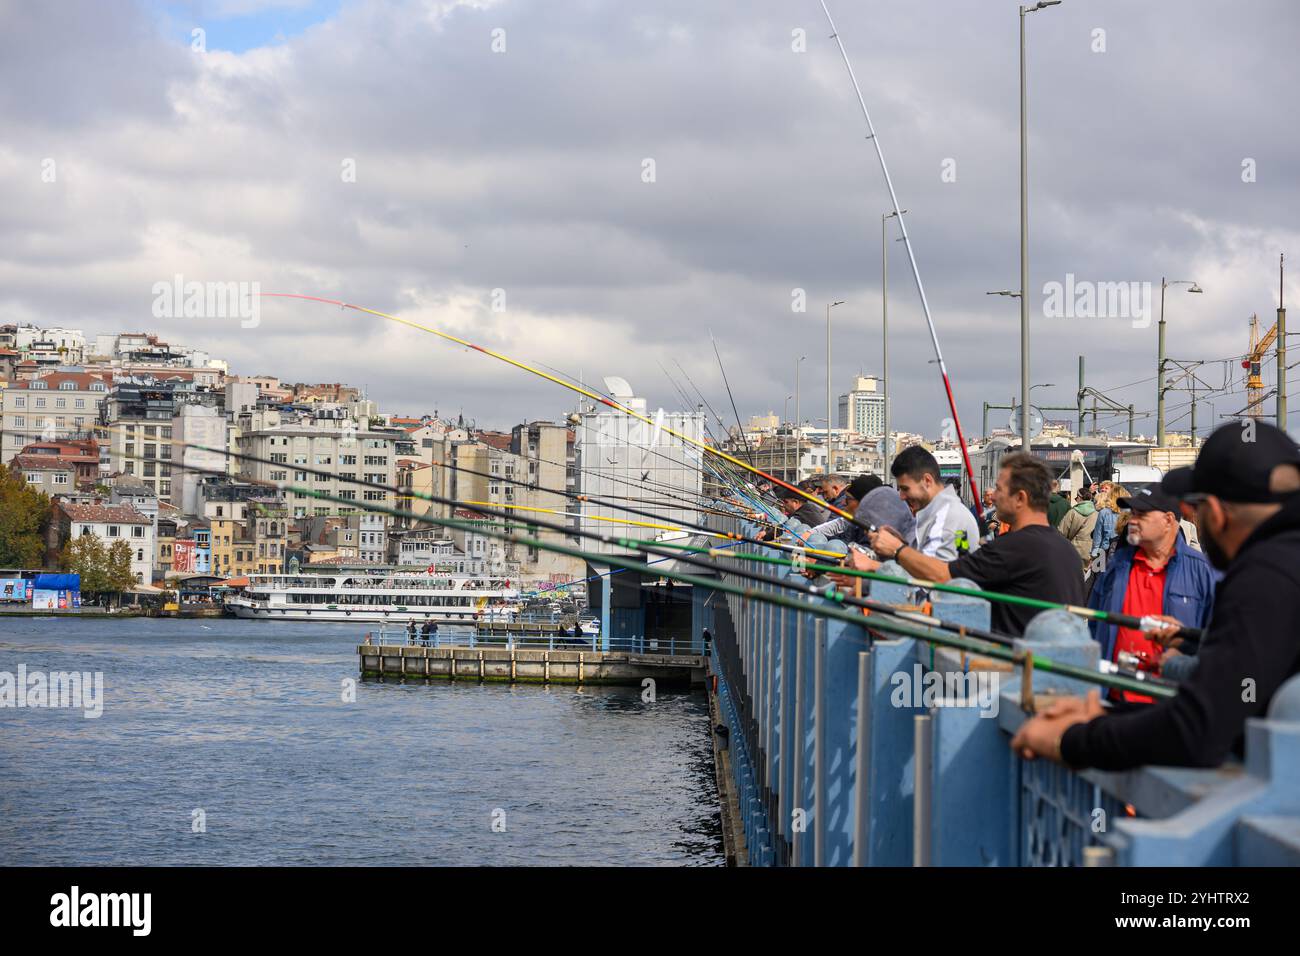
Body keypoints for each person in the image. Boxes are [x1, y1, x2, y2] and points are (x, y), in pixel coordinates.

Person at [1011, 421, 1300, 769]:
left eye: (1196, 508)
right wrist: (1108, 713)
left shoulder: (1265, 574)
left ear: (1218, 513)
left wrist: (1071, 739)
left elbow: (1199, 727)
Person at [857, 452, 1084, 636]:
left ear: (1021, 498)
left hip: (1016, 679)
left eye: (999, 489)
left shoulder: (1012, 548)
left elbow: (944, 577)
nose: (992, 497)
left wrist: (897, 550)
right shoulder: (1067, 550)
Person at [1084, 485, 1216, 701]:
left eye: (1142, 514)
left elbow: (1220, 641)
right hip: (1114, 698)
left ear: (1168, 520)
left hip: (1171, 703)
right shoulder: (1117, 565)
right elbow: (1094, 624)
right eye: (1132, 513)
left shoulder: (1201, 571)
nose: (1132, 520)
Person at [889, 445, 980, 560]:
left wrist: (896, 550)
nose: (901, 496)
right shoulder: (944, 513)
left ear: (927, 480)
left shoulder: (946, 518)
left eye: (905, 489)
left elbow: (930, 573)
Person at [804, 474, 883, 543]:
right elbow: (839, 523)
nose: (843, 503)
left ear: (863, 501)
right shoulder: (857, 518)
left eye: (848, 499)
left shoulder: (880, 532)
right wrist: (811, 532)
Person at [1057, 486, 1099, 576]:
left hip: (1074, 550)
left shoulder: (1072, 512)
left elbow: (1061, 532)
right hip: (1092, 550)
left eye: (1076, 497)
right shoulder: (1096, 513)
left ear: (1079, 498)